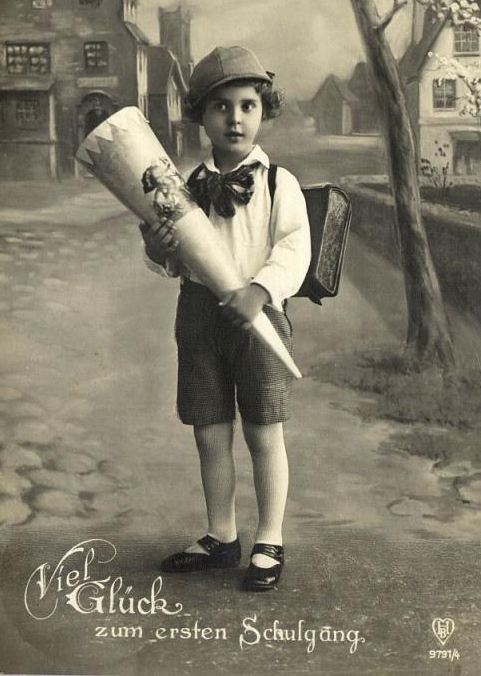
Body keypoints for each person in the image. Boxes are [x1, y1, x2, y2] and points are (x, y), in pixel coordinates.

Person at [141, 45, 311, 591]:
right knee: (210, 434)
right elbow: (174, 262)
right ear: (201, 115)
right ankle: (221, 534)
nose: (234, 118)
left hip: (257, 319)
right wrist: (158, 243)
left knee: (264, 431)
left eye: (246, 105)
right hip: (199, 318)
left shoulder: (279, 183)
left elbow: (294, 247)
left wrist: (261, 289)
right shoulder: (184, 186)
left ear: (263, 111)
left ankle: (269, 538)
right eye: (220, 107)